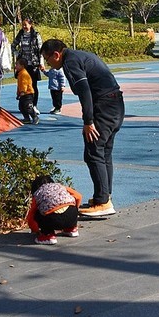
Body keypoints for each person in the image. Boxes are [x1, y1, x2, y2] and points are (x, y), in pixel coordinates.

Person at [41, 38, 123, 217]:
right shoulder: (79, 56)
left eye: (48, 59)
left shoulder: (70, 62)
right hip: (116, 103)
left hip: (105, 105)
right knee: (103, 152)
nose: (48, 63)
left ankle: (103, 202)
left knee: (93, 152)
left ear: (56, 54)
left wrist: (88, 121)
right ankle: (104, 196)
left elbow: (85, 90)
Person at [26, 174, 82, 245]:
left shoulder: (38, 193)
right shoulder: (60, 186)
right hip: (72, 216)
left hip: (52, 220)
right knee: (70, 205)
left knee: (37, 213)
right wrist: (75, 209)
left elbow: (31, 215)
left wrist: (35, 230)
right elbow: (78, 196)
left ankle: (47, 235)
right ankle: (71, 229)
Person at [13, 17, 43, 113]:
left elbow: (40, 49)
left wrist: (41, 62)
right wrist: (17, 54)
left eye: (26, 25)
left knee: (33, 85)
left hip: (33, 64)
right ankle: (24, 105)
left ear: (30, 25)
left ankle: (33, 105)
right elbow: (13, 45)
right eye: (23, 25)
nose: (24, 27)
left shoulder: (36, 35)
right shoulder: (20, 34)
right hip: (23, 65)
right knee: (22, 84)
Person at [15, 56, 40, 125]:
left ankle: (35, 117)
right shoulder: (20, 73)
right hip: (22, 93)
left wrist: (23, 91)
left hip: (28, 94)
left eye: (17, 64)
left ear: (22, 66)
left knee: (28, 106)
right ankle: (26, 118)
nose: (15, 66)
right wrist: (18, 93)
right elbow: (19, 85)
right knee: (21, 107)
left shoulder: (24, 74)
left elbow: (24, 83)